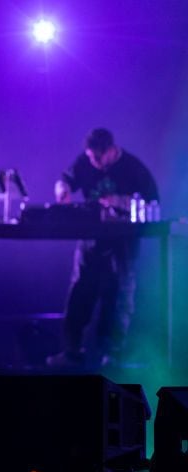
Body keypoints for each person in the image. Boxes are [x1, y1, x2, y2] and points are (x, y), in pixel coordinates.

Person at [46, 128, 158, 368]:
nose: (93, 163)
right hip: (90, 241)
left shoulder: (133, 167)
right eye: (90, 158)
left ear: (110, 151)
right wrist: (62, 190)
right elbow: (65, 179)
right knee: (79, 293)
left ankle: (113, 355)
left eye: (97, 158)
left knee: (118, 297)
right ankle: (72, 351)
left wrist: (119, 201)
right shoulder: (85, 162)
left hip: (123, 243)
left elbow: (153, 200)